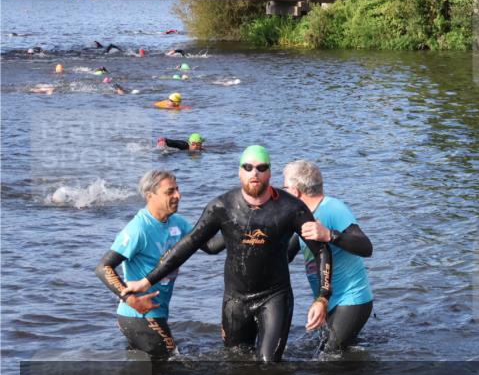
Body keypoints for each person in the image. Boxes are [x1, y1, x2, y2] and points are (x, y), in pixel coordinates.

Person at [123, 146, 332, 363]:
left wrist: (322, 298)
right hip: (235, 300)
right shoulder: (222, 206)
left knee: (268, 362)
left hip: (275, 295)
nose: (255, 173)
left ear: (270, 172)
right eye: (248, 167)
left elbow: (321, 251)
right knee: (235, 361)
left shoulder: (291, 208)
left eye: (261, 168)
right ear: (239, 171)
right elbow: (188, 245)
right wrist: (147, 282)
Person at [94, 170, 223, 358]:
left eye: (177, 190)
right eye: (170, 192)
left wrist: (237, 229)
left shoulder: (177, 223)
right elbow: (103, 268)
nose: (178, 196)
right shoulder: (139, 229)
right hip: (137, 316)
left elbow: (210, 246)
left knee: (146, 369)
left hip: (155, 313)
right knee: (171, 363)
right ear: (150, 196)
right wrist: (132, 301)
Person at [283, 160, 374, 351]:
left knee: (329, 357)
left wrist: (328, 235)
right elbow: (286, 253)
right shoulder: (304, 216)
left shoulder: (332, 208)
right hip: (328, 301)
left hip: (351, 299)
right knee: (338, 354)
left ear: (295, 191)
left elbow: (366, 247)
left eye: (284, 188)